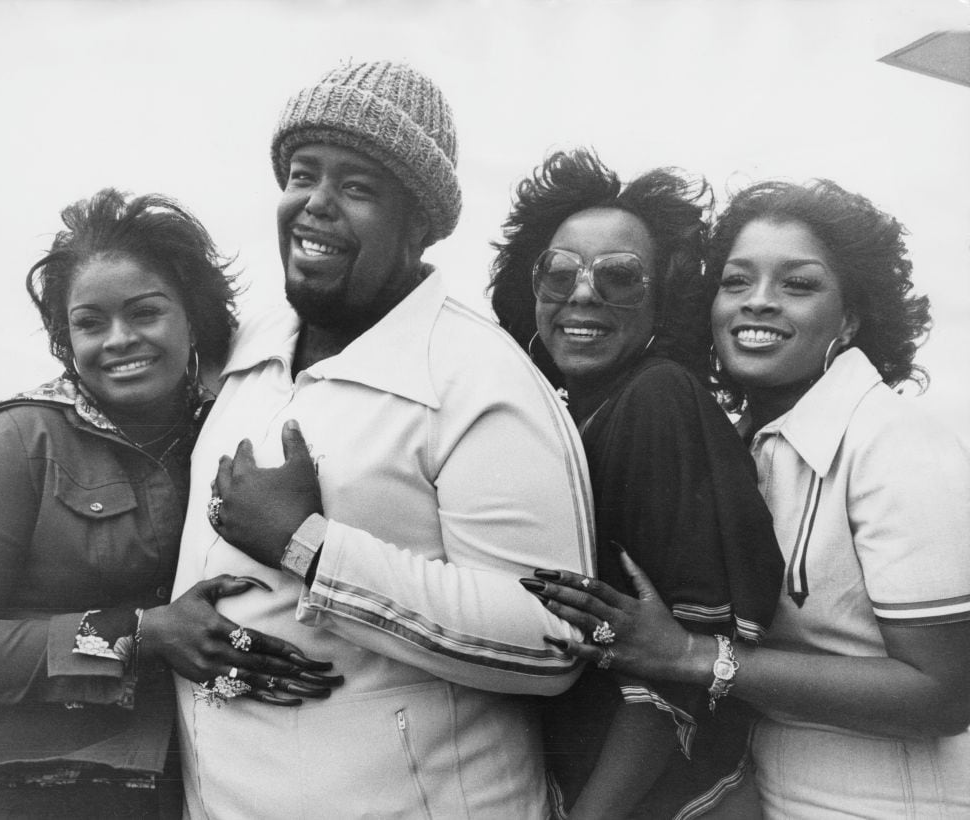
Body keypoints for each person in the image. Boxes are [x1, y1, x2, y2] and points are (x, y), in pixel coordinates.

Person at [170, 60, 595, 818]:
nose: (317, 205)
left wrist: (308, 547)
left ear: (420, 225)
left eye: (358, 187)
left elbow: (551, 641)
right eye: (303, 175)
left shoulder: (479, 379)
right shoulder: (249, 346)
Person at [530, 179, 970, 818]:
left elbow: (946, 693)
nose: (758, 303)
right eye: (736, 282)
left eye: (798, 284)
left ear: (850, 317)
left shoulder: (895, 441)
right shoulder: (748, 442)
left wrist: (692, 656)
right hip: (774, 792)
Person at [0, 189, 342, 819]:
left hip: (184, 786)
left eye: (145, 313)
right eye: (90, 322)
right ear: (64, 336)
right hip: (14, 791)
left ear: (195, 319)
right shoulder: (18, 441)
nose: (119, 340)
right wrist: (138, 634)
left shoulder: (231, 427)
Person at [488, 149, 784, 819]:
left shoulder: (657, 397)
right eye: (558, 271)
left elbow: (674, 660)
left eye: (620, 276)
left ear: (666, 297)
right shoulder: (568, 414)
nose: (583, 292)